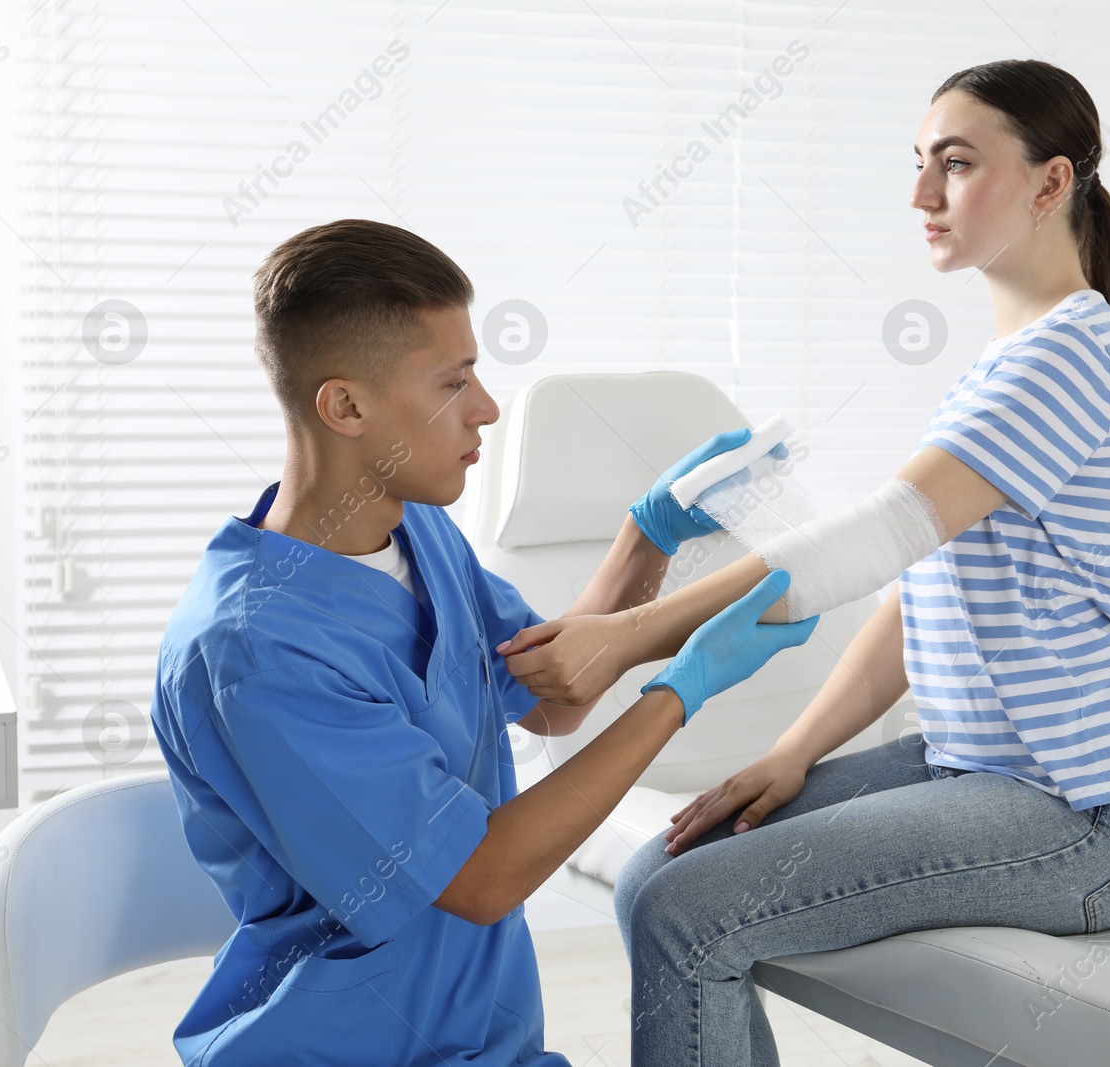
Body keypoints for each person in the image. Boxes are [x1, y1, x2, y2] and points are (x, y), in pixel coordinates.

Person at [499, 59, 1110, 1066]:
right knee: (658, 871)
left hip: (1085, 809)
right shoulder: (1009, 363)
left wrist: (629, 635)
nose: (920, 195)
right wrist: (791, 751)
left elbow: (876, 537)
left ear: (1050, 184)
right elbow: (922, 597)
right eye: (918, 164)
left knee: (685, 913)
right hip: (975, 768)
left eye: (954, 165)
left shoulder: (1071, 354)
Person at [149, 219, 817, 1066]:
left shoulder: (418, 532)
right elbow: (483, 877)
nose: (488, 407)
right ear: (345, 405)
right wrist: (679, 692)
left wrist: (646, 539)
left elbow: (548, 694)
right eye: (452, 381)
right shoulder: (254, 651)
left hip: (486, 1040)